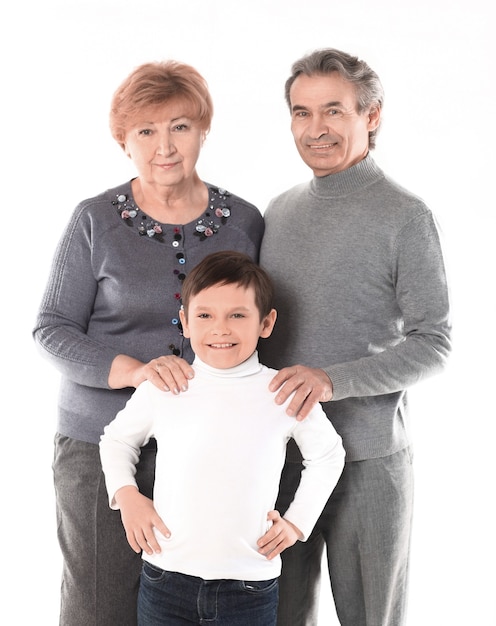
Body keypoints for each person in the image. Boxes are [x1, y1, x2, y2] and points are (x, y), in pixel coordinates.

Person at [33, 61, 264, 626]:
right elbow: (52, 329)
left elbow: (257, 326)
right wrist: (135, 371)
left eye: (180, 126)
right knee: (99, 605)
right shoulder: (94, 219)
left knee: (198, 605)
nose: (165, 146)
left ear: (203, 130)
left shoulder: (246, 222)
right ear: (123, 141)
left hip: (210, 447)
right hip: (99, 444)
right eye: (146, 131)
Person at [257, 48, 452, 626]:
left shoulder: (404, 216)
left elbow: (434, 341)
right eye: (301, 112)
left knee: (371, 616)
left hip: (367, 459)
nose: (315, 129)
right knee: (279, 614)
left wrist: (331, 380)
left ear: (371, 116)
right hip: (283, 455)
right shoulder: (279, 211)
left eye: (333, 111)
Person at [98, 250, 345, 626]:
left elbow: (327, 455)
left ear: (266, 322)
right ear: (184, 321)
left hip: (249, 586)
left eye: (238, 315)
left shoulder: (283, 391)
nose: (221, 329)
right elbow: (117, 440)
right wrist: (127, 497)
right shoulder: (165, 385)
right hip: (165, 578)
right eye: (205, 315)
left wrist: (296, 523)